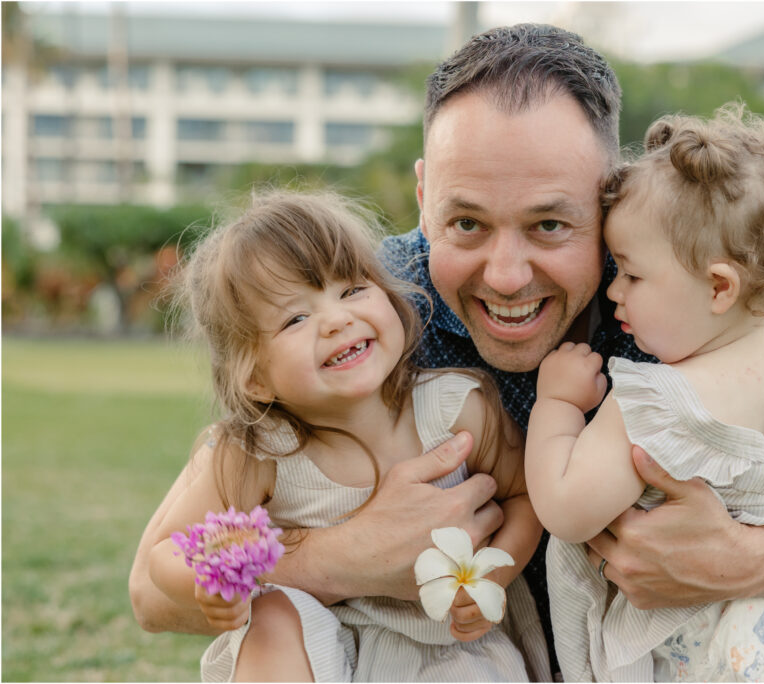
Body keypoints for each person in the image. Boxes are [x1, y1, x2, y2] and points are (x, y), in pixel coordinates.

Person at [130, 23, 764, 676]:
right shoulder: (377, 303)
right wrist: (340, 557)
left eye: (550, 224)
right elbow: (151, 589)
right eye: (466, 222)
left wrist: (742, 559)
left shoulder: (689, 285)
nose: (505, 277)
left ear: (612, 194)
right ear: (422, 193)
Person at [525, 104, 764, 681]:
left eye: (632, 273)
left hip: (728, 647)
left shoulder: (659, 402)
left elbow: (566, 508)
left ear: (718, 286)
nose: (613, 290)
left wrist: (555, 403)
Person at [145, 192, 549, 681]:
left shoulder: (458, 409)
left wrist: (491, 577)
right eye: (296, 318)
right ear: (254, 378)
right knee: (272, 615)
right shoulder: (261, 452)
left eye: (353, 290)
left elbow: (526, 496)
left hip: (448, 654)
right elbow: (166, 553)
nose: (338, 320)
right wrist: (210, 584)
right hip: (323, 654)